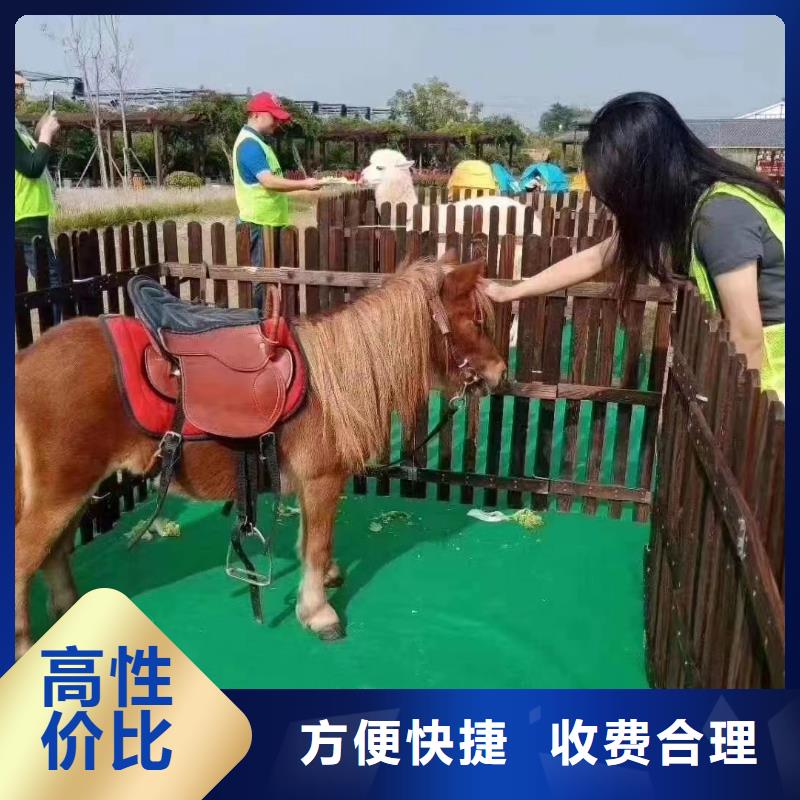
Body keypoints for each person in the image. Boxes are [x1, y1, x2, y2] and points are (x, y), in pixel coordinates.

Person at [483, 92, 785, 402]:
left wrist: (728, 413)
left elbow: (747, 337)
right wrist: (512, 291)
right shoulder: (684, 209)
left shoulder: (722, 218)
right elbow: (596, 257)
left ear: (643, 178)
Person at [233, 91, 320, 309]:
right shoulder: (250, 145)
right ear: (256, 114)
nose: (277, 123)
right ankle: (259, 323)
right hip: (258, 225)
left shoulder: (259, 143)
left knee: (272, 281)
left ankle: (269, 321)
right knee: (262, 283)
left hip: (269, 224)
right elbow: (268, 181)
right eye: (274, 117)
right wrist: (305, 184)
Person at [15, 78, 65, 322]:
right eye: (14, 87)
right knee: (52, 286)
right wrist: (45, 135)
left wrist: (39, 133)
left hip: (29, 216)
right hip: (24, 220)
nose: (19, 92)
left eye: (20, 87)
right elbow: (32, 168)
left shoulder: (16, 126)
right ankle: (55, 339)